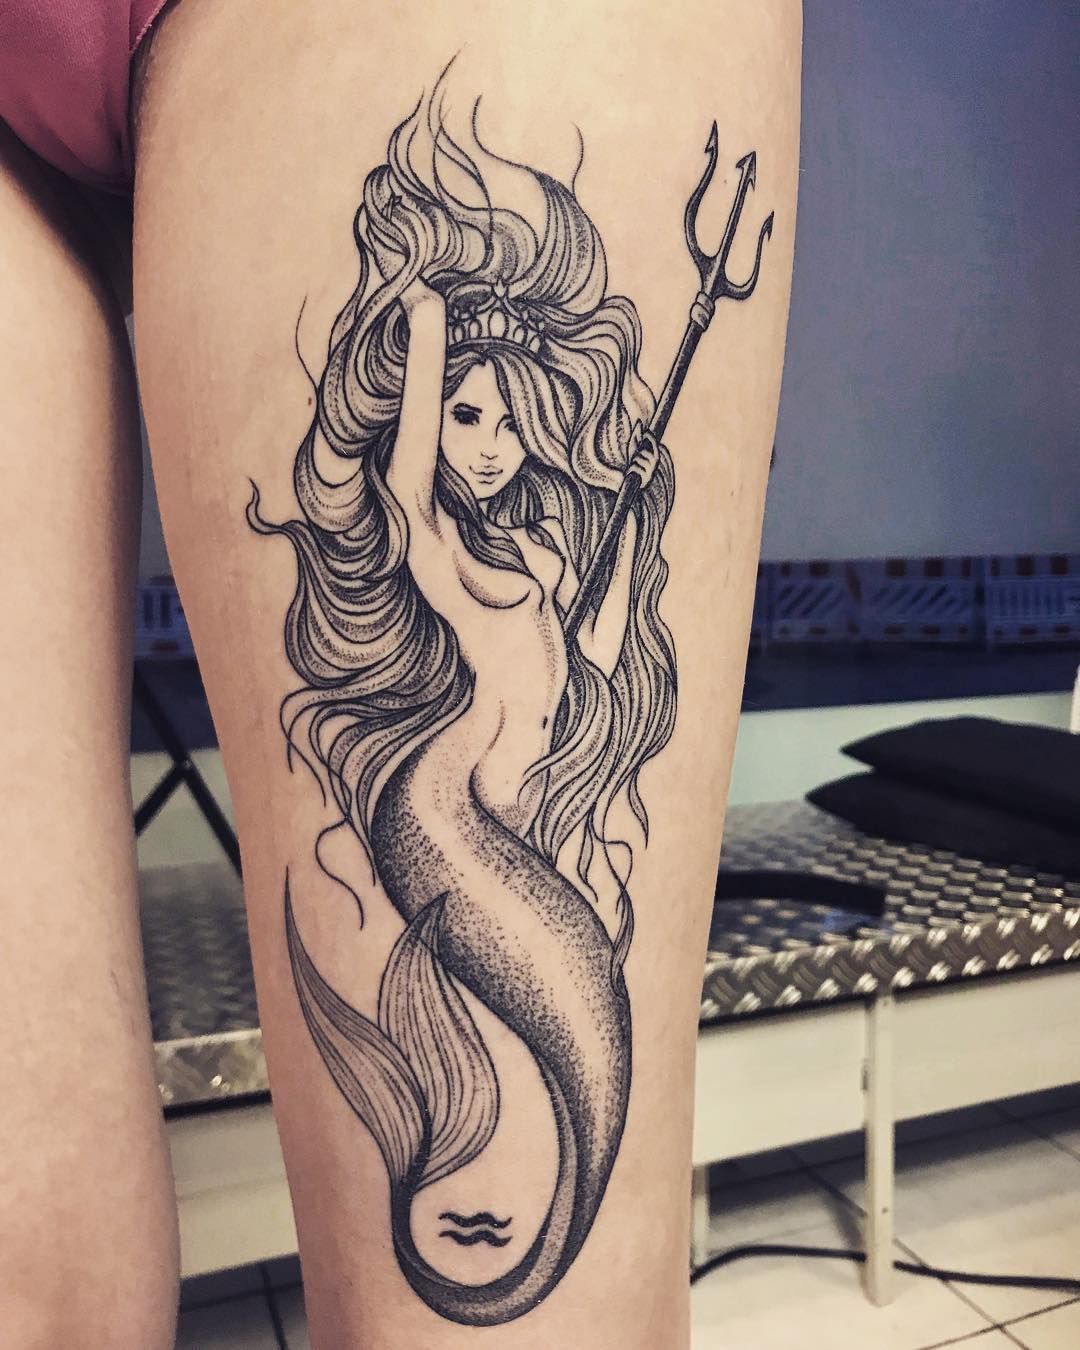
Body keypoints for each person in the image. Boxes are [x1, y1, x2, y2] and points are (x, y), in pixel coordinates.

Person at [0, 3, 801, 1346]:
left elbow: (605, 642)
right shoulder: (440, 543)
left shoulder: (550, 567)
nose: (484, 444)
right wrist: (425, 349)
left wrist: (625, 516)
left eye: (506, 418)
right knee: (39, 1295)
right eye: (467, 417)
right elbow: (417, 468)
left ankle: (500, 1225)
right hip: (433, 817)